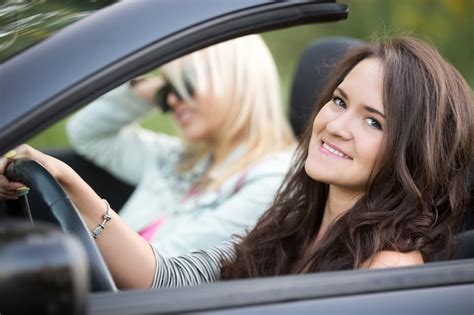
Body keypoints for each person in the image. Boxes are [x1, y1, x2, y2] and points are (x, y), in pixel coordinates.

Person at [0, 36, 472, 290]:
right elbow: (166, 278)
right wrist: (67, 183)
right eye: (339, 101)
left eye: (373, 122)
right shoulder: (290, 225)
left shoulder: (387, 270)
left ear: (410, 153)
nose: (337, 125)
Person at [64, 34, 296, 257]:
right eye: (169, 91)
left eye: (187, 83)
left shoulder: (273, 180)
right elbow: (87, 134)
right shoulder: (180, 159)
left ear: (237, 81)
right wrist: (149, 89)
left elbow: (165, 266)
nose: (173, 101)